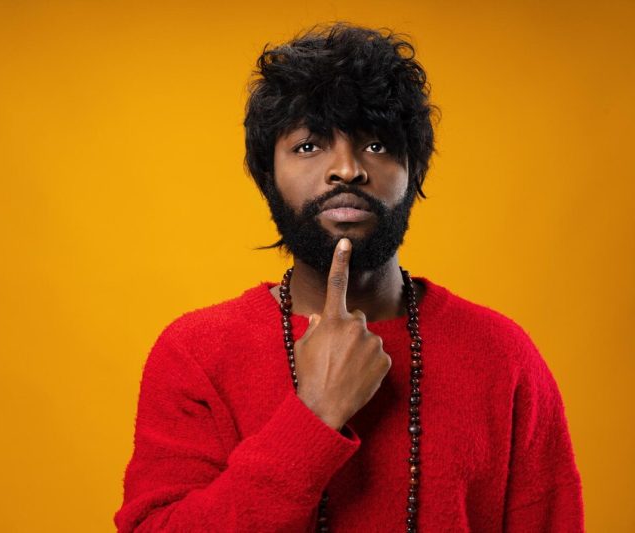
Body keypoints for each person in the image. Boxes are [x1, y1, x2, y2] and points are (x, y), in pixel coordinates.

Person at [113, 22, 584, 532]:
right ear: (267, 175)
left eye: (376, 145)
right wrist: (312, 417)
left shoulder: (503, 355)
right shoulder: (196, 353)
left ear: (415, 172)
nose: (347, 170)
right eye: (309, 146)